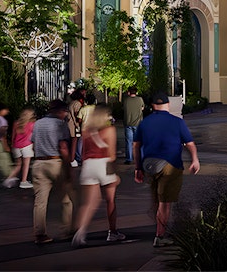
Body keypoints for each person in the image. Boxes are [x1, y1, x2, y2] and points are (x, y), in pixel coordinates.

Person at [133, 91, 200, 248]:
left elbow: (136, 146)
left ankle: (159, 224)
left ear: (153, 106)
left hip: (149, 164)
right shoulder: (177, 122)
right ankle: (160, 236)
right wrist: (195, 160)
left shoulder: (145, 123)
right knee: (165, 203)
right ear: (168, 105)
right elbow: (189, 143)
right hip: (170, 164)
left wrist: (138, 167)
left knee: (157, 199)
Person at [72, 105, 123, 246]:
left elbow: (82, 153)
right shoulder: (109, 130)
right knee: (110, 200)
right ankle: (112, 232)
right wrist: (115, 173)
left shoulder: (87, 131)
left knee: (89, 203)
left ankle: (80, 233)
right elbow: (111, 155)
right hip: (104, 165)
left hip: (88, 166)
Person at [30, 100, 74, 244]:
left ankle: (40, 234)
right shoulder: (60, 124)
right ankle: (67, 230)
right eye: (65, 112)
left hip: (38, 162)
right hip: (56, 162)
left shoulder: (38, 123)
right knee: (66, 199)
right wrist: (68, 168)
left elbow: (33, 143)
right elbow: (63, 147)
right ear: (60, 111)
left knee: (40, 201)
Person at [5, 106, 36, 188]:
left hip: (16, 146)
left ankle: (9, 178)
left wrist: (12, 145)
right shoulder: (32, 124)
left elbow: (13, 136)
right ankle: (23, 181)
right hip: (27, 146)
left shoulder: (16, 123)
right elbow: (34, 136)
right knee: (26, 165)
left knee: (18, 165)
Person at [122, 88, 144, 163]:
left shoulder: (126, 100)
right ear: (136, 92)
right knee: (139, 142)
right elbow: (142, 108)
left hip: (128, 123)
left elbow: (124, 109)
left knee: (129, 142)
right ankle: (140, 157)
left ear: (129, 93)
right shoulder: (140, 99)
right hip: (138, 124)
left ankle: (129, 158)